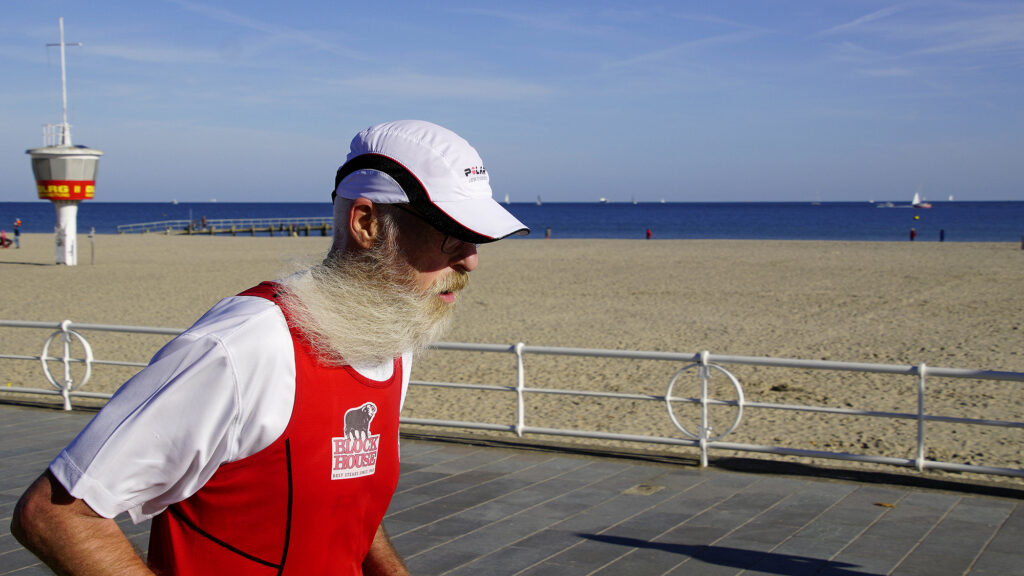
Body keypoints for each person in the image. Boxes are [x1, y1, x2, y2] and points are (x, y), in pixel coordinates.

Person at [11, 120, 529, 575]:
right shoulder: (243, 346)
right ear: (367, 223)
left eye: (477, 237)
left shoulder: (390, 338)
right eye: (451, 234)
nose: (471, 260)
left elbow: (343, 504)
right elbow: (55, 514)